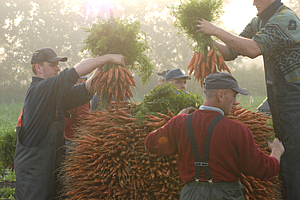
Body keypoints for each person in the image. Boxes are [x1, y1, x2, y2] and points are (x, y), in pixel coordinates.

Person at [196, 0, 300, 198]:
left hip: (296, 97)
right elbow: (231, 51)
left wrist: (215, 29)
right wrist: (207, 40)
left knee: (295, 161)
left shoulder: (286, 19)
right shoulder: (258, 22)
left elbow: (252, 49)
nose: (253, 3)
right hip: (279, 99)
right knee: (287, 159)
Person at [145, 72, 284, 200]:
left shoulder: (180, 123)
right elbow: (264, 169)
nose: (235, 102)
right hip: (226, 195)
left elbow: (150, 143)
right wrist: (276, 152)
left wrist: (176, 119)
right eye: (234, 96)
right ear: (221, 95)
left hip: (191, 195)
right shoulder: (236, 130)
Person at [14, 47, 126, 199]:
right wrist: (108, 57)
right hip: (34, 183)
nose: (58, 68)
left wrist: (101, 70)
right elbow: (72, 74)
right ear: (38, 68)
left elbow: (83, 91)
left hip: (50, 176)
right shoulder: (38, 91)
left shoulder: (52, 97)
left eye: (57, 65)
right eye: (53, 65)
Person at [64, 75, 90, 152]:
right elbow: (84, 119)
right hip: (74, 140)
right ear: (82, 81)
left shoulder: (65, 93)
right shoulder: (81, 96)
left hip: (63, 138)